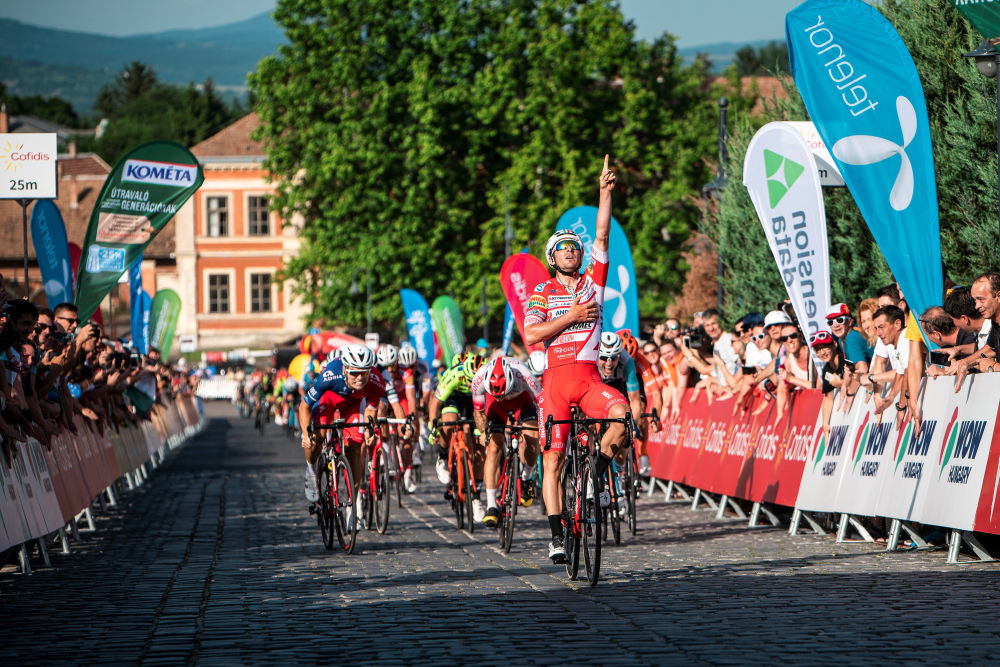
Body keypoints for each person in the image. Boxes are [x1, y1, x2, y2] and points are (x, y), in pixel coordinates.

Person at [523, 154, 630, 564]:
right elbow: (531, 334)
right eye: (562, 248)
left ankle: (595, 474)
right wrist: (570, 316)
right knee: (552, 459)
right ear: (553, 258)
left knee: (621, 415)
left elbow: (602, 236)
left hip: (588, 380)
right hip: (554, 380)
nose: (571, 251)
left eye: (574, 247)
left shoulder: (593, 282)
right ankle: (555, 535)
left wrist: (604, 193)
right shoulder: (542, 294)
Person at [298, 343, 404, 507]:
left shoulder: (376, 381)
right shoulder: (329, 375)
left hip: (353, 405)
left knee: (356, 445)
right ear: (345, 370)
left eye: (364, 373)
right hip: (329, 401)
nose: (360, 378)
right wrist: (306, 434)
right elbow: (304, 406)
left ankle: (353, 503)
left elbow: (371, 410)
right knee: (317, 437)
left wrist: (370, 430)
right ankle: (311, 471)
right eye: (355, 373)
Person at [471, 355, 542, 527]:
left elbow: (542, 403)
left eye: (504, 393)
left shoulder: (524, 374)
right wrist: (482, 432)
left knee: (533, 437)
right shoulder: (479, 379)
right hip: (496, 408)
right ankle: (491, 505)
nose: (501, 396)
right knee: (493, 447)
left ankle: (527, 476)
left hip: (522, 401)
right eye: (497, 393)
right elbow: (478, 413)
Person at [428, 353, 487, 522]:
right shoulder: (454, 374)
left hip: (475, 401)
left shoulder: (486, 377)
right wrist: (434, 427)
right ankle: (443, 456)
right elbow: (436, 402)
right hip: (453, 398)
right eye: (469, 381)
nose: (471, 384)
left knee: (480, 447)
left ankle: (476, 496)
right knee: (448, 423)